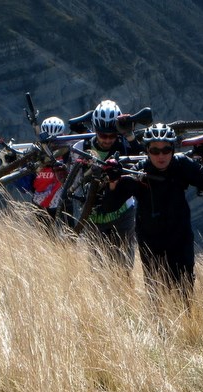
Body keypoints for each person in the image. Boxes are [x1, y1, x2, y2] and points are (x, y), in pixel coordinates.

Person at [101, 123, 203, 308]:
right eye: (155, 150)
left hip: (179, 238)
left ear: (173, 149)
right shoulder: (139, 171)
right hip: (151, 242)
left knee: (184, 292)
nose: (161, 155)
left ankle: (186, 332)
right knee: (156, 294)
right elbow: (110, 206)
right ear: (147, 150)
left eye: (166, 149)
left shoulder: (182, 164)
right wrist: (113, 181)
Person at [71, 100, 145, 271]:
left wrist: (130, 136)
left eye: (113, 135)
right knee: (98, 270)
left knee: (124, 268)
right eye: (103, 135)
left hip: (123, 213)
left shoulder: (125, 145)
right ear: (95, 131)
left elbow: (142, 159)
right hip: (94, 217)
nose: (108, 140)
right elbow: (73, 183)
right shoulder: (81, 147)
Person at [17, 116, 69, 226]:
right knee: (46, 238)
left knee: (69, 235)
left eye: (57, 140)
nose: (53, 145)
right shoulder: (34, 154)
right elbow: (23, 186)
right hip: (40, 204)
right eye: (49, 141)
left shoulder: (68, 153)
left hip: (63, 201)